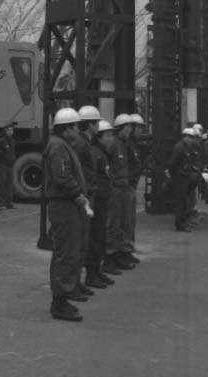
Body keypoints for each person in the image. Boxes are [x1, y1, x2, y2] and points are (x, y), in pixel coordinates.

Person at [43, 108, 91, 322]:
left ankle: (62, 297)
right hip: (65, 205)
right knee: (66, 252)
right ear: (67, 128)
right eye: (76, 127)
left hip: (66, 204)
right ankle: (60, 301)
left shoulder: (61, 146)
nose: (78, 131)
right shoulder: (58, 147)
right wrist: (78, 195)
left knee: (65, 251)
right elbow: (62, 177)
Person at [73, 105, 102, 297]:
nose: (98, 126)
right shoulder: (82, 144)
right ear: (90, 125)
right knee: (79, 241)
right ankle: (74, 284)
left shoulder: (85, 143)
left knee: (84, 240)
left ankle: (77, 282)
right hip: (84, 195)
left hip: (87, 193)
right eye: (97, 123)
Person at [102, 114, 134, 272]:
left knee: (122, 222)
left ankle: (119, 253)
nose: (130, 130)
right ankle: (110, 256)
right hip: (115, 189)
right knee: (112, 223)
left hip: (123, 187)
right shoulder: (114, 144)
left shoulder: (124, 144)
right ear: (120, 128)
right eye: (127, 127)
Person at [85, 120, 114, 289]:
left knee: (100, 237)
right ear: (100, 138)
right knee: (95, 237)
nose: (111, 139)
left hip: (103, 198)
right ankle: (91, 273)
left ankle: (96, 270)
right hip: (98, 199)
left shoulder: (102, 153)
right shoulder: (95, 153)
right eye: (108, 136)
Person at [118, 114, 142, 262]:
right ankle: (123, 249)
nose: (140, 131)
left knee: (130, 220)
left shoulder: (132, 144)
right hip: (126, 187)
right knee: (125, 220)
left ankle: (128, 248)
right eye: (137, 128)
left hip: (131, 186)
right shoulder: (125, 144)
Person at [168, 127, 199, 230]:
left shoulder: (187, 147)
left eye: (193, 138)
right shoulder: (179, 147)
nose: (192, 140)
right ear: (185, 137)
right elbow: (173, 163)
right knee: (180, 202)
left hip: (186, 177)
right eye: (190, 137)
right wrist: (175, 175)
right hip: (180, 178)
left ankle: (184, 221)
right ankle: (180, 224)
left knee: (185, 201)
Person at [0, 123, 16, 208]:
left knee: (10, 184)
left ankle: (9, 203)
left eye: (12, 130)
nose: (10, 132)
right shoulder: (1, 140)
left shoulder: (13, 141)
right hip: (3, 165)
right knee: (1, 184)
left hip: (10, 165)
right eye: (9, 130)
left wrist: (13, 159)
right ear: (5, 131)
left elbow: (13, 152)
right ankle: (1, 203)